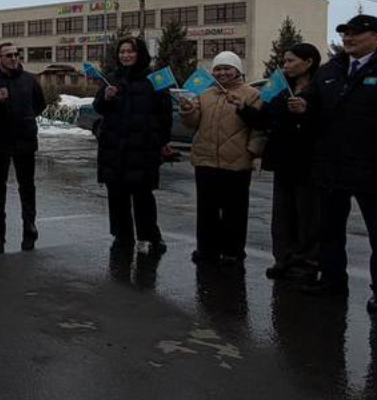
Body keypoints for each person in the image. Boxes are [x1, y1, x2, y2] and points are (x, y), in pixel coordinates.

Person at [300, 14, 377, 313]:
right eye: (345, 33)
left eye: (357, 33)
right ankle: (332, 279)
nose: (349, 38)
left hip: (375, 166)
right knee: (330, 228)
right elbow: (314, 106)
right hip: (333, 165)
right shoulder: (330, 70)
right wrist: (304, 107)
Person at [239, 43, 322, 281]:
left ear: (308, 63)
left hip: (308, 163)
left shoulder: (319, 90)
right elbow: (265, 119)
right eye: (284, 61)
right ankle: (283, 259)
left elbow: (327, 123)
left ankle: (307, 263)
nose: (285, 65)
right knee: (283, 215)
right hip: (283, 161)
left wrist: (306, 112)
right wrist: (244, 110)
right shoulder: (280, 89)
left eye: (291, 61)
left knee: (307, 217)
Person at [179, 50, 263, 270]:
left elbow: (259, 128)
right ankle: (206, 249)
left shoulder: (251, 94)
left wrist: (252, 151)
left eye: (227, 68)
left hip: (236, 162)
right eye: (218, 69)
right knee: (206, 209)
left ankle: (233, 252)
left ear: (237, 70)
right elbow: (193, 123)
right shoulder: (205, 94)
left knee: (234, 211)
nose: (222, 72)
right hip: (205, 160)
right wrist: (188, 111)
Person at [93, 36, 172, 255]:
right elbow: (99, 107)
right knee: (116, 195)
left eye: (130, 51)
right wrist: (106, 98)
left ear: (140, 54)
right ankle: (122, 235)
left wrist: (162, 142)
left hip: (142, 148)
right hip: (114, 147)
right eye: (122, 52)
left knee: (142, 196)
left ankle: (149, 236)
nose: (125, 55)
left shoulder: (153, 79)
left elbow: (165, 115)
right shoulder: (111, 78)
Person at [0, 42, 46, 245]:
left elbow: (39, 104)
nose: (14, 58)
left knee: (27, 184)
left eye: (17, 54)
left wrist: (25, 119)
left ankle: (29, 222)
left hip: (24, 139)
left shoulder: (28, 80)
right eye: (9, 55)